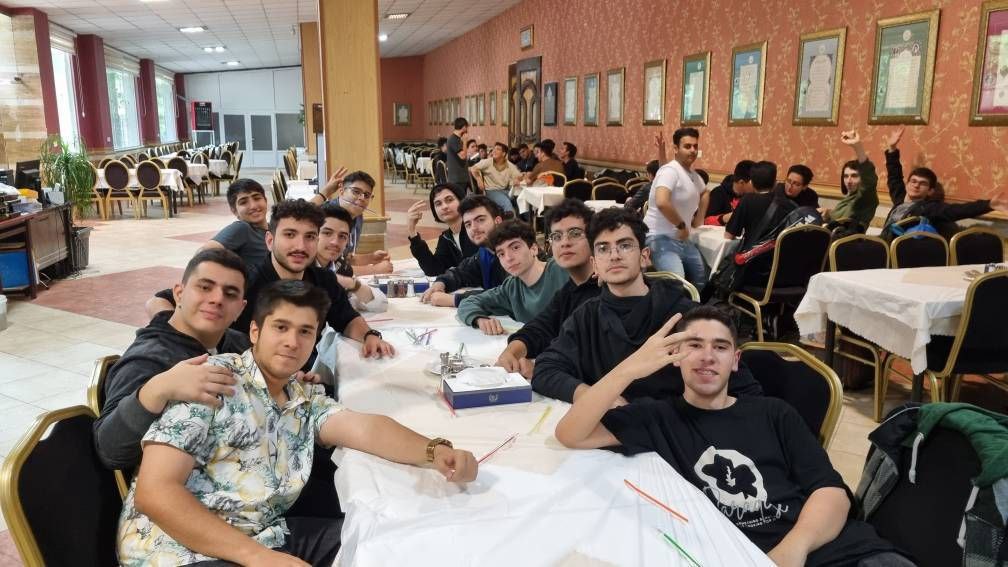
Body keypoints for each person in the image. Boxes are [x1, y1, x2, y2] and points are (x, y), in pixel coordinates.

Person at [117, 280, 479, 567]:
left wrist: (434, 451)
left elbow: (364, 428)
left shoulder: (302, 398)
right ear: (255, 331)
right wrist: (257, 557)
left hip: (264, 534)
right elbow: (155, 492)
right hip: (177, 550)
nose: (292, 342)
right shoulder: (213, 380)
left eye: (305, 332)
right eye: (281, 327)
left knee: (382, 543)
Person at [555, 306, 910, 567]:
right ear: (675, 357)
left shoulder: (774, 412)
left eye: (720, 347)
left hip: (837, 549)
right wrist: (628, 370)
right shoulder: (658, 418)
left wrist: (793, 550)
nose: (708, 357)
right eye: (694, 345)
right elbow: (571, 433)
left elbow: (831, 492)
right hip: (740, 555)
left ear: (736, 360)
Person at [531, 208, 761, 404]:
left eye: (625, 245)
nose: (614, 256)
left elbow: (744, 390)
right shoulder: (586, 316)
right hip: (611, 431)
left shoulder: (686, 316)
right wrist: (596, 397)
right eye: (603, 248)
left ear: (644, 257)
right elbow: (546, 369)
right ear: (595, 264)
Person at [95, 249, 252, 474]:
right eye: (205, 287)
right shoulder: (148, 360)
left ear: (240, 309)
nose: (217, 299)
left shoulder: (237, 344)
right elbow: (109, 449)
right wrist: (158, 389)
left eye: (230, 293)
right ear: (179, 293)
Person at [233, 199, 395, 361]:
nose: (300, 246)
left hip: (309, 367)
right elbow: (231, 344)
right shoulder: (245, 285)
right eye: (290, 235)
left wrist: (369, 336)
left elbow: (347, 319)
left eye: (310, 236)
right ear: (270, 241)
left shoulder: (324, 279)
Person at [496, 199, 596, 377]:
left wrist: (540, 368)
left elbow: (591, 358)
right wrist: (511, 352)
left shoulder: (607, 289)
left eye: (575, 233)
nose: (565, 242)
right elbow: (541, 327)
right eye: (557, 236)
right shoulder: (571, 288)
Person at [882, 127, 1008, 239]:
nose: (916, 185)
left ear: (930, 191)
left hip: (899, 250)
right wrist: (892, 149)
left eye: (923, 183)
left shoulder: (928, 208)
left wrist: (989, 204)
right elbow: (894, 176)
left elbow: (957, 210)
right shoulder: (900, 197)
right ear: (907, 184)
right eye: (913, 181)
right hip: (884, 242)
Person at [457, 220, 570, 335]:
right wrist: (479, 320)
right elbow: (467, 303)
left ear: (534, 249)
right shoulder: (511, 288)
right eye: (501, 254)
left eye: (515, 248)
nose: (508, 258)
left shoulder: (562, 269)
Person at [642, 127, 709, 290]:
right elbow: (662, 202)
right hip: (658, 237)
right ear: (676, 148)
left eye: (695, 146)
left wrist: (699, 218)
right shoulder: (670, 171)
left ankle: (691, 306)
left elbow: (705, 192)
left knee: (702, 280)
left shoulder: (692, 175)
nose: (692, 150)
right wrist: (681, 225)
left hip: (681, 239)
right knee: (677, 284)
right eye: (687, 146)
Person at [420, 195, 508, 307]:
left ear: (498, 221)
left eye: (480, 220)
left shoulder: (513, 250)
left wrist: (455, 300)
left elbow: (508, 294)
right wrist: (441, 282)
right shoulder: (485, 252)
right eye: (468, 224)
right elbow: (461, 273)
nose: (474, 228)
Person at [723, 161, 797, 285]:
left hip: (751, 269)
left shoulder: (747, 200)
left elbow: (729, 235)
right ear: (775, 183)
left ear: (751, 182)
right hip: (780, 273)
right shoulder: (790, 206)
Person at [316, 202, 388, 313]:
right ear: (313, 234)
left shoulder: (339, 265)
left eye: (342, 236)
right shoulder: (300, 268)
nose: (335, 242)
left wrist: (351, 284)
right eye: (327, 233)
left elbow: (380, 304)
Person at [323, 170, 394, 276]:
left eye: (367, 195)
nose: (362, 198)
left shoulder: (357, 216)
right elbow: (331, 268)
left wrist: (371, 258)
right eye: (356, 192)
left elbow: (344, 258)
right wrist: (374, 270)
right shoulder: (327, 215)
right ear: (341, 190)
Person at [407, 184, 478, 276]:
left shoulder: (475, 229)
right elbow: (433, 269)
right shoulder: (446, 237)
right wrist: (411, 229)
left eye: (449, 200)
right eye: (438, 204)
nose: (444, 207)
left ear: (462, 201)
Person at [199, 179, 270, 268]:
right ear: (235, 211)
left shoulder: (274, 228)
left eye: (257, 198)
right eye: (243, 202)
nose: (253, 206)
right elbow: (203, 254)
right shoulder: (242, 228)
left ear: (265, 201)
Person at [819, 131, 879, 232]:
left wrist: (858, 147)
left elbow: (869, 181)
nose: (849, 181)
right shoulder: (849, 198)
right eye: (846, 176)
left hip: (848, 241)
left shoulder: (866, 198)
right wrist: (828, 213)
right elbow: (844, 217)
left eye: (854, 176)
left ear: (862, 178)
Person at [624, 132, 671, 213]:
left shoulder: (648, 187)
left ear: (650, 175)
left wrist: (628, 200)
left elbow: (629, 206)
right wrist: (661, 150)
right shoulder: (669, 186)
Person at [470, 142, 521, 214]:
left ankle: (525, 220)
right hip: (491, 191)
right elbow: (472, 168)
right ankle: (511, 221)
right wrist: (478, 179)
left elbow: (518, 175)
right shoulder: (488, 161)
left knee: (520, 198)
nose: (494, 151)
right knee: (506, 202)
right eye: (494, 149)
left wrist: (517, 179)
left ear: (503, 153)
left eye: (498, 149)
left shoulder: (509, 164)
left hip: (505, 190)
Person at [704, 160, 755, 226]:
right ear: (741, 183)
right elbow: (706, 221)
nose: (756, 186)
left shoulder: (753, 196)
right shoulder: (719, 193)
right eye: (754, 183)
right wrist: (726, 218)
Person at [446, 117, 471, 191]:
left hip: (462, 177)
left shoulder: (458, 139)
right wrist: (465, 141)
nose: (467, 130)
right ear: (463, 127)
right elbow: (463, 156)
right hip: (457, 178)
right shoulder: (453, 139)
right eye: (467, 127)